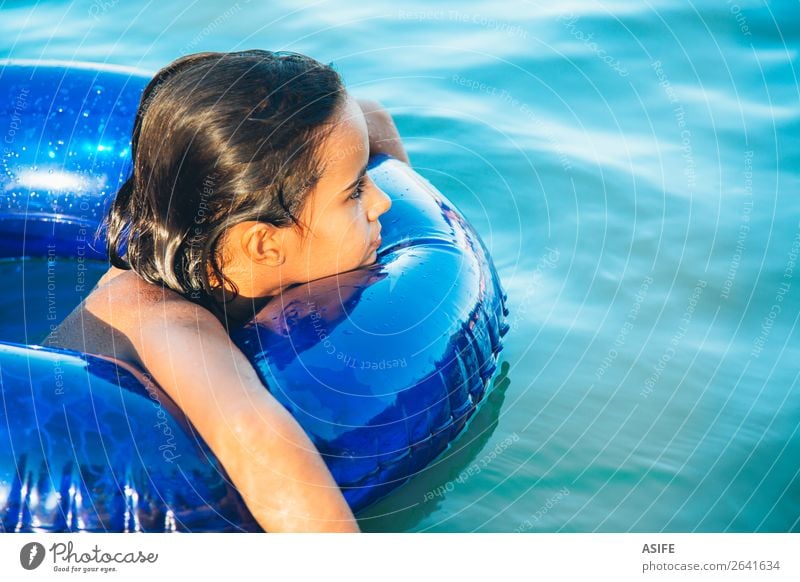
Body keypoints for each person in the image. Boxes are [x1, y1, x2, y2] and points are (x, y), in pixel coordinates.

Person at [41, 49, 410, 532]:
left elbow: (372, 113)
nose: (382, 201)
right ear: (263, 244)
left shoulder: (223, 252)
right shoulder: (169, 322)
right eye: (355, 192)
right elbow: (259, 446)